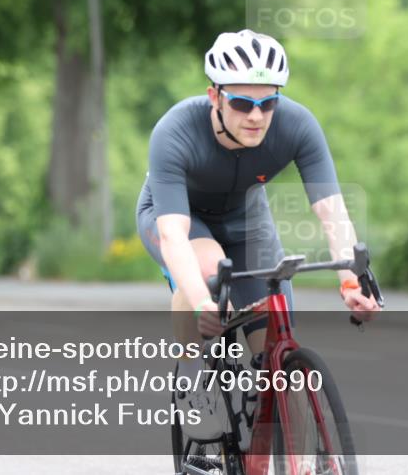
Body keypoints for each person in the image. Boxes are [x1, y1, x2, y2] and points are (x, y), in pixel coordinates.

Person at [136, 29, 381, 439]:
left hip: (247, 221)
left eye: (268, 103)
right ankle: (192, 379)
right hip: (179, 217)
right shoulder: (174, 130)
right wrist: (200, 303)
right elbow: (175, 237)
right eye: (242, 102)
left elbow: (331, 209)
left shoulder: (297, 125)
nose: (256, 116)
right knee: (208, 267)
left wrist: (351, 280)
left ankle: (271, 428)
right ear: (214, 97)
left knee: (272, 337)